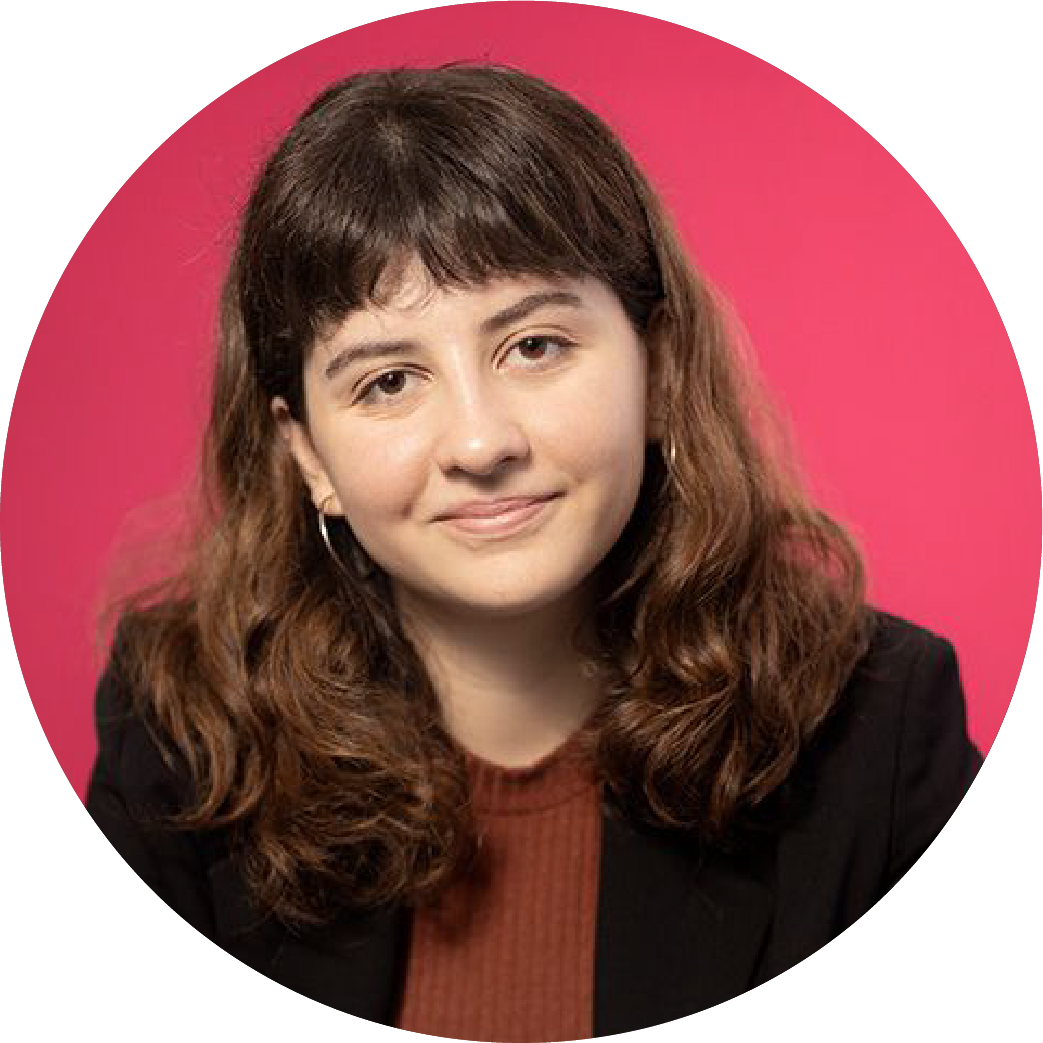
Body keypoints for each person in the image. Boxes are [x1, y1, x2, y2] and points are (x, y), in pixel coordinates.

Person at [85, 64, 981, 1040]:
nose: (480, 443)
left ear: (656, 367)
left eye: (535, 345)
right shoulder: (181, 742)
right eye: (388, 381)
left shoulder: (878, 732)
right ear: (308, 456)